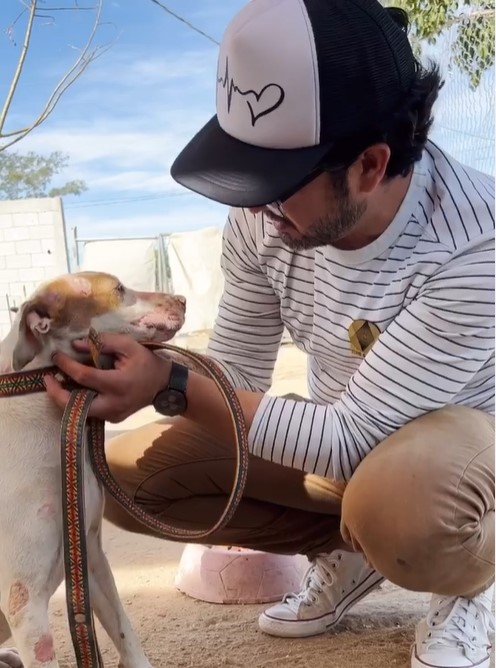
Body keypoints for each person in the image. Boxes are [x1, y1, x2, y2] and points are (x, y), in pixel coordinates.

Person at [43, 1, 494, 667]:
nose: (253, 205)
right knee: (120, 473)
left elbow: (348, 438)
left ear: (371, 165)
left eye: (278, 182)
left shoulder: (473, 245)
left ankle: (472, 582)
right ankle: (350, 549)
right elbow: (238, 378)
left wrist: (169, 382)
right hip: (351, 445)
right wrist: (122, 367)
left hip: (462, 457)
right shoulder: (262, 222)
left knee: (407, 509)